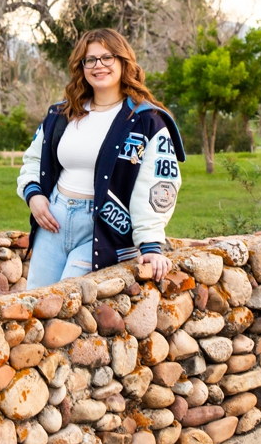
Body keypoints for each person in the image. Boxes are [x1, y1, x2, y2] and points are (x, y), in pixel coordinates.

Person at [17, 29, 186, 288]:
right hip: (54, 219)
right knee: (36, 304)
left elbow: (158, 184)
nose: (99, 66)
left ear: (123, 61)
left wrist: (150, 243)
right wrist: (34, 195)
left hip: (105, 228)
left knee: (67, 303)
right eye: (90, 59)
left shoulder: (147, 121)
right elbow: (33, 159)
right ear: (81, 67)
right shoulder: (61, 113)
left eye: (107, 57)